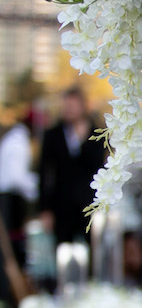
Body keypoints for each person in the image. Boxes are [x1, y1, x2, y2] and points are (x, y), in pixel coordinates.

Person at [38, 86, 104, 244]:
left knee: (91, 250)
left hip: (89, 203)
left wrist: (82, 142)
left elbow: (97, 165)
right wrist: (44, 209)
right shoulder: (52, 134)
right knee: (62, 249)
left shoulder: (97, 134)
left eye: (72, 106)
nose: (68, 110)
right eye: (65, 106)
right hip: (61, 206)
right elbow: (44, 172)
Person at [0, 108, 38, 269]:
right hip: (10, 198)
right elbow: (17, 177)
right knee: (11, 244)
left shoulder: (14, 138)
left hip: (9, 196)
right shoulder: (19, 143)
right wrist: (35, 188)